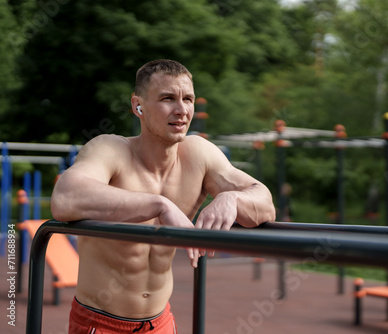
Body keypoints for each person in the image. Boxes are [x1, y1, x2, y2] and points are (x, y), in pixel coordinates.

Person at [51, 59, 276, 333]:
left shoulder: (198, 154)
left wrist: (233, 199)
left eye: (188, 99)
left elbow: (265, 203)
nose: (181, 110)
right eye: (168, 98)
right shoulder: (111, 149)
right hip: (100, 322)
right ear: (138, 106)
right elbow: (64, 198)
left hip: (160, 323)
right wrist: (159, 205)